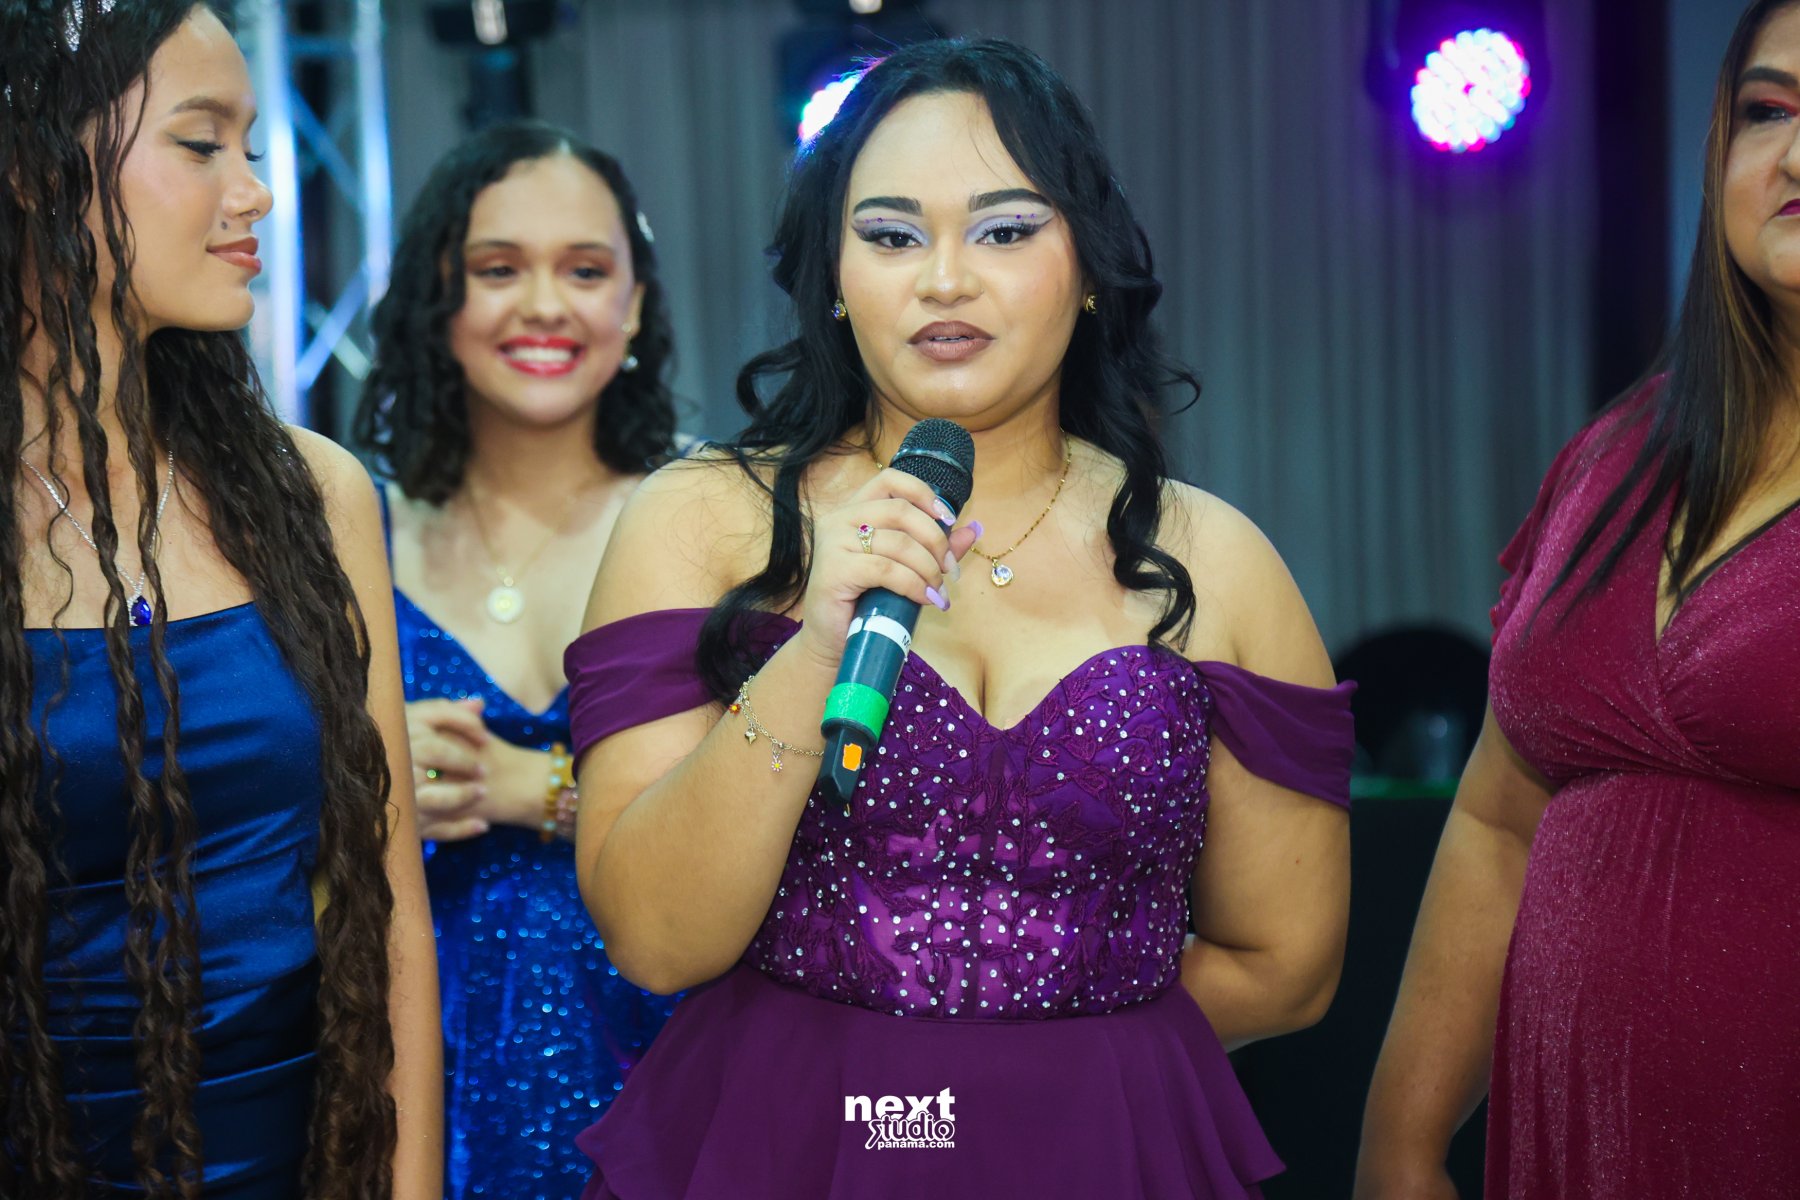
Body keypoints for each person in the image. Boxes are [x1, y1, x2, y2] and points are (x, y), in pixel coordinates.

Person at [563, 37, 1354, 1199]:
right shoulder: (699, 520)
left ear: (1089, 267)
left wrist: (1022, 1079)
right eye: (891, 236)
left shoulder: (1216, 560)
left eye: (1004, 230)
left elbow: (1289, 964)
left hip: (1100, 1153)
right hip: (792, 1144)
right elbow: (653, 938)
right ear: (835, 277)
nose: (944, 279)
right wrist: (813, 649)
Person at [1356, 2, 1800, 1196]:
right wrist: (1401, 1148)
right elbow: (1498, 824)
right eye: (1768, 110)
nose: (1795, 155)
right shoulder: (1614, 456)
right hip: (1571, 1153)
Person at [2, 3, 442, 1197]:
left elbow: (388, 905)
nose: (256, 193)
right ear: (33, 165)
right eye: (202, 144)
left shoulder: (312, 494)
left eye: (252, 145)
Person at [356, 120, 680, 1199]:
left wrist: (539, 790)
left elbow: (799, 806)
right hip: (415, 1065)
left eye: (584, 271)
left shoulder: (714, 523)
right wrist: (358, 782)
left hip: (669, 1049)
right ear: (435, 296)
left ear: (635, 304)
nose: (545, 306)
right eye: (499, 270)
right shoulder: (347, 530)